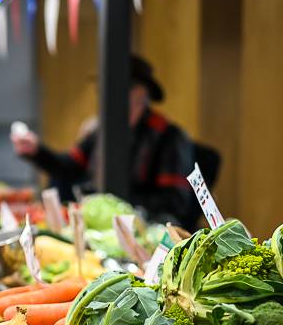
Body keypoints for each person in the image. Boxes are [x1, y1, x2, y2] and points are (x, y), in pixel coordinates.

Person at [12, 55, 198, 228]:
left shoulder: (169, 137)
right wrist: (36, 151)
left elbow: (173, 203)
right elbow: (69, 168)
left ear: (142, 93)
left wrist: (114, 202)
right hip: (102, 226)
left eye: (120, 87)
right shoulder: (102, 131)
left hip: (146, 230)